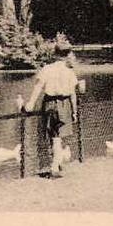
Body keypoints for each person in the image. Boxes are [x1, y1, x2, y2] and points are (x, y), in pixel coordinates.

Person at [24, 42, 79, 178]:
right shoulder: (69, 71)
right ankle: (56, 164)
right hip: (65, 103)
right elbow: (73, 93)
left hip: (49, 103)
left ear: (54, 54)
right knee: (58, 137)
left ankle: (55, 165)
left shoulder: (47, 69)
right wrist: (74, 111)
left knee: (54, 137)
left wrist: (31, 103)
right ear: (67, 55)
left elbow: (38, 87)